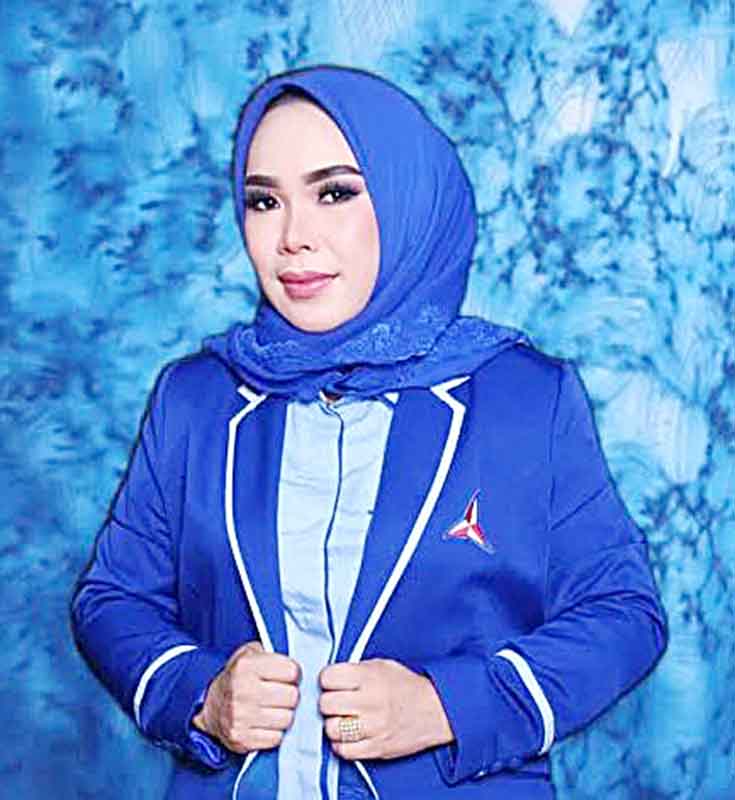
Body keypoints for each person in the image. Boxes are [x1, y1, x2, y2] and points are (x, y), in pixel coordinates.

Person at [71, 66, 668, 800]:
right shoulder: (195, 398)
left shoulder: (526, 399)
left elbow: (623, 615)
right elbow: (112, 598)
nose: (293, 238)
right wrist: (197, 692)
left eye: (334, 193)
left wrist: (448, 705)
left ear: (408, 194)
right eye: (264, 201)